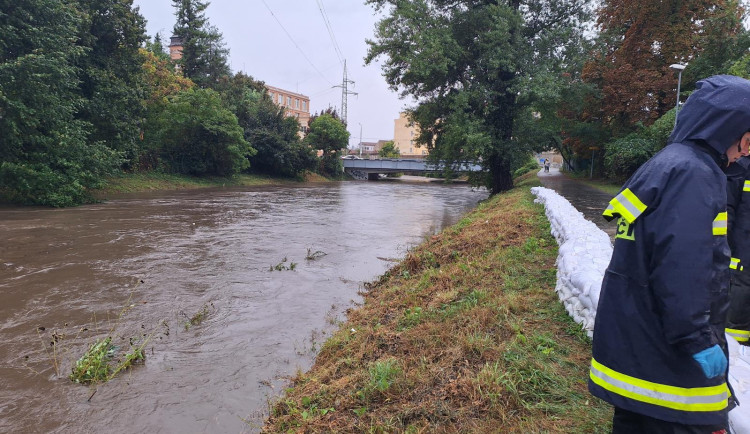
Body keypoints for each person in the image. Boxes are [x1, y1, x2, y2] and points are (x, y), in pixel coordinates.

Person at [589, 75, 750, 433]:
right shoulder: (695, 175)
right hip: (668, 362)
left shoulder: (667, 164)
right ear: (727, 129)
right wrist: (697, 341)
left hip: (639, 344)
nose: (746, 152)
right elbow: (683, 269)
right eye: (748, 139)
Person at [726, 155, 750, 346]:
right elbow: (727, 209)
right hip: (742, 251)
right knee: (740, 296)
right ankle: (735, 349)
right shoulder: (740, 168)